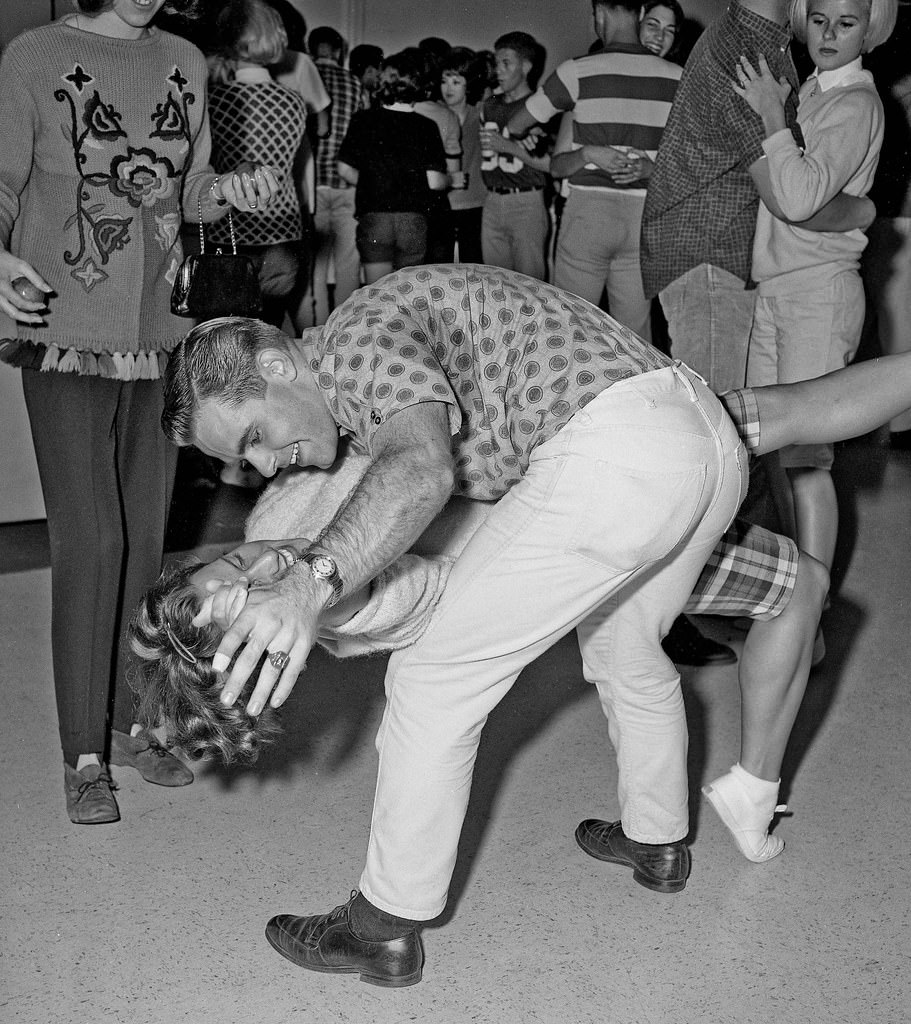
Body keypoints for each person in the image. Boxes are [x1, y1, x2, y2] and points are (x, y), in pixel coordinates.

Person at [159, 263, 755, 986]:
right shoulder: (370, 353)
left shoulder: (358, 337)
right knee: (626, 646)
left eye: (253, 434)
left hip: (611, 449)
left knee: (432, 680)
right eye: (241, 459)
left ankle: (380, 927)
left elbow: (420, 469)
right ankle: (656, 838)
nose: (259, 462)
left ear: (280, 364)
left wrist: (309, 583)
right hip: (705, 442)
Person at [0, 0, 278, 825]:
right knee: (92, 540)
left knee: (148, 539)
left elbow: (186, 194)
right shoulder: (34, 54)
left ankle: (130, 722)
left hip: (161, 337)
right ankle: (83, 751)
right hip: (66, 333)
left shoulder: (186, 60)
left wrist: (227, 190)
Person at [733, 0, 896, 579]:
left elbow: (799, 199)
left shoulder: (854, 102)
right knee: (770, 450)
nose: (829, 33)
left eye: (847, 22)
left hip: (819, 294)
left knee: (805, 461)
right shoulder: (812, 92)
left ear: (870, 29)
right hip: (778, 287)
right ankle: (788, 593)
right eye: (821, 19)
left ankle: (813, 600)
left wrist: (772, 118)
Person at [641, 0, 877, 394]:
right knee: (719, 421)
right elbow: (790, 201)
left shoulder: (759, 43)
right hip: (714, 256)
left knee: (745, 422)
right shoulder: (750, 51)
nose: (830, 32)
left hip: (731, 260)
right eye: (822, 20)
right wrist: (864, 211)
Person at [207, 0, 310, 329]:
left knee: (229, 334)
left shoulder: (217, 98)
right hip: (282, 228)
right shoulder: (295, 101)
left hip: (231, 230)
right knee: (270, 330)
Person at [337, 50, 448, 282]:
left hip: (374, 216)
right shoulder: (427, 126)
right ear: (418, 85)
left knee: (377, 292)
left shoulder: (362, 120)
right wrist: (451, 180)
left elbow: (344, 170)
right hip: (413, 219)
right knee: (407, 293)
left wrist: (374, 179)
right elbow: (435, 182)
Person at [861, 0, 911, 448]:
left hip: (893, 218)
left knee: (893, 324)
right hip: (890, 217)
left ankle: (894, 425)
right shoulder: (884, 93)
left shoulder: (883, 92)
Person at [295, 26, 362, 329]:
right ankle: (346, 333)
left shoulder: (303, 80)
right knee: (349, 265)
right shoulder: (355, 84)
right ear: (339, 52)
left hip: (312, 184)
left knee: (316, 270)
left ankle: (319, 333)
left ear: (312, 49)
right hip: (348, 184)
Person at [479, 31, 552, 279]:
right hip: (492, 199)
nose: (498, 70)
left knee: (530, 286)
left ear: (526, 66)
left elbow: (552, 164)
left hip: (526, 201)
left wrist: (510, 147)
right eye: (497, 63)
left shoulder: (541, 107)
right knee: (494, 284)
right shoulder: (490, 105)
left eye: (506, 63)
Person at [436, 47, 489, 263]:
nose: (448, 88)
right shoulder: (434, 114)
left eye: (456, 82)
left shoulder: (481, 114)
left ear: (469, 85)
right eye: (444, 81)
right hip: (442, 203)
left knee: (474, 266)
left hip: (475, 202)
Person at [349, 43, 384, 108]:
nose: (379, 80)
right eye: (377, 76)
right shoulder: (355, 96)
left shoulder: (367, 95)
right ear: (369, 70)